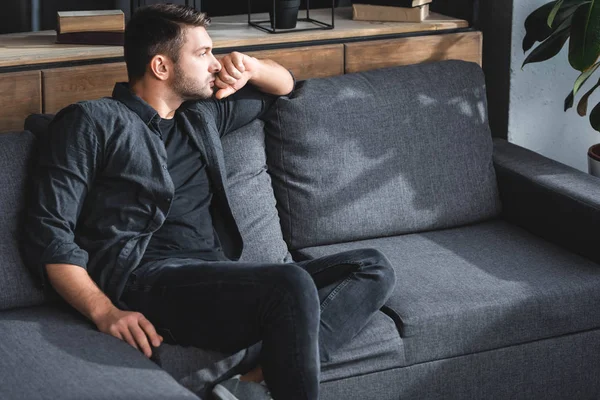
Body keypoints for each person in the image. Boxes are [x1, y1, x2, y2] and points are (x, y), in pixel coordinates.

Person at [22, 4, 396, 400]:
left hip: (212, 275)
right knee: (291, 282)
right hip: (147, 279)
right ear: (161, 67)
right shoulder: (93, 121)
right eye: (202, 54)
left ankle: (254, 382)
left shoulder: (201, 117)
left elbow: (284, 85)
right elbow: (49, 232)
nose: (215, 65)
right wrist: (104, 311)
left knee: (372, 266)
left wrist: (250, 66)